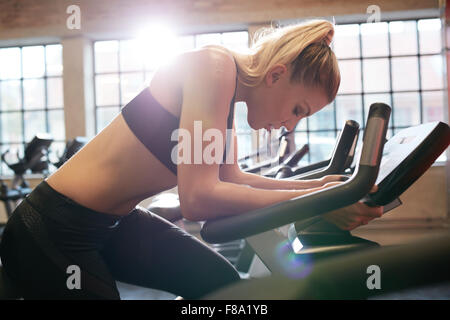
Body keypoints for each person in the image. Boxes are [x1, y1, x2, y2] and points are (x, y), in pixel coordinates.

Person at [0, 19, 383, 299]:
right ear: (276, 75)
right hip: (50, 229)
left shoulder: (229, 94)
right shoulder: (213, 68)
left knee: (224, 290)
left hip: (114, 225)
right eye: (298, 109)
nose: (290, 125)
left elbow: (232, 178)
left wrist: (323, 189)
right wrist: (316, 202)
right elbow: (198, 198)